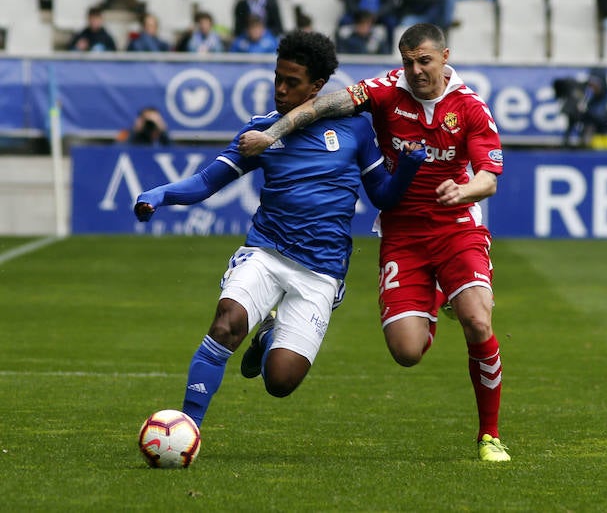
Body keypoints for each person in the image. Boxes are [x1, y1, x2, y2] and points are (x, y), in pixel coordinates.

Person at [236, 23, 510, 462]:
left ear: (444, 57)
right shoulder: (384, 90)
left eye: (424, 60)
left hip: (457, 226)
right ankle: (434, 296)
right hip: (402, 234)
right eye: (407, 61)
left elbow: (488, 177)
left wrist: (465, 191)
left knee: (478, 320)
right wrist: (274, 134)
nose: (415, 70)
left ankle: (489, 436)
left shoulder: (470, 108)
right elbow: (325, 106)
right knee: (407, 353)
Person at [133, 29, 426, 432]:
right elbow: (205, 182)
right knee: (226, 322)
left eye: (293, 83)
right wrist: (161, 194)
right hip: (266, 252)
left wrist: (409, 167)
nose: (281, 90)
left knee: (280, 381)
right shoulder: (262, 131)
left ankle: (268, 337)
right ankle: (187, 427)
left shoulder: (356, 131)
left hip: (320, 271)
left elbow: (384, 198)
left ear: (317, 87)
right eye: (277, 78)